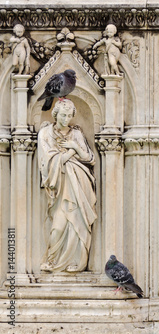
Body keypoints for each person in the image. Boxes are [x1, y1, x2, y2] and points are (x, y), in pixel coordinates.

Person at [38, 99, 97, 272]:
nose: (65, 119)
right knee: (57, 227)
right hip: (59, 187)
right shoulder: (46, 133)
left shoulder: (76, 134)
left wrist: (73, 146)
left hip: (80, 186)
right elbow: (48, 162)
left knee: (77, 224)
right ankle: (52, 261)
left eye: (69, 116)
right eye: (62, 115)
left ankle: (78, 262)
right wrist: (73, 151)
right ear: (55, 114)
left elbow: (90, 158)